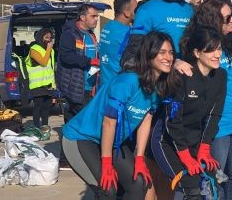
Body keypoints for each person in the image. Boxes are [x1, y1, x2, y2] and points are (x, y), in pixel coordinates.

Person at [62, 31, 177, 199]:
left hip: (111, 141)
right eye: (162, 52)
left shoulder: (157, 86)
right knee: (108, 190)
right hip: (80, 138)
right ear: (149, 55)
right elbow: (109, 123)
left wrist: (139, 158)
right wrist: (107, 164)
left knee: (139, 184)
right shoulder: (128, 81)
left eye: (171, 52)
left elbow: (146, 119)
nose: (168, 57)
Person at [179, 0, 232, 200]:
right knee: (214, 179)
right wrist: (177, 62)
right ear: (214, 22)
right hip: (217, 128)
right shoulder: (202, 52)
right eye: (227, 18)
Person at [151, 26, 227, 200]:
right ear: (197, 53)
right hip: (167, 141)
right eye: (210, 50)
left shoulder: (221, 76)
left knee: (212, 185)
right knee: (191, 190)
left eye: (219, 48)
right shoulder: (181, 76)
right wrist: (185, 156)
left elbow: (215, 115)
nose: (217, 54)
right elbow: (172, 121)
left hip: (194, 139)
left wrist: (205, 148)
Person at [122, 0, 196, 75]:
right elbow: (131, 57)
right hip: (161, 85)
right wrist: (172, 63)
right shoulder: (147, 9)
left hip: (187, 84)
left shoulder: (191, 10)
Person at [99, 0, 137, 87]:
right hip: (118, 85)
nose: (138, 12)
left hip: (104, 83)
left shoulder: (108, 26)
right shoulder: (128, 33)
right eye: (136, 9)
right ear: (127, 13)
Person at [26, 28, 56, 129]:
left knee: (46, 107)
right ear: (40, 37)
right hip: (37, 85)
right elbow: (43, 62)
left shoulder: (51, 51)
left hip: (47, 84)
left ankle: (45, 127)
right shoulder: (34, 49)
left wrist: (53, 85)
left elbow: (50, 68)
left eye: (50, 38)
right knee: (38, 106)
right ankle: (36, 128)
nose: (49, 40)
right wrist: (48, 49)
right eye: (46, 37)